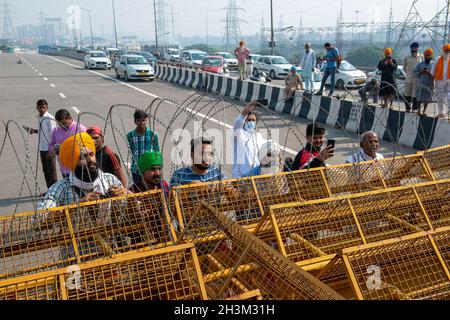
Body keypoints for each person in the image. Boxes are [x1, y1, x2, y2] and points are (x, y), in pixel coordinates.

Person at [37, 133, 127, 210]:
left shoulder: (110, 180)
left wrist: (127, 198)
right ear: (73, 162)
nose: (90, 160)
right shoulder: (61, 188)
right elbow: (38, 220)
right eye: (82, 157)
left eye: (91, 154)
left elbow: (131, 212)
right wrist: (76, 206)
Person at [24, 99, 58, 194]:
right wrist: (34, 131)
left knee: (52, 172)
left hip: (49, 148)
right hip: (42, 148)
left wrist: (51, 150)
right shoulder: (39, 117)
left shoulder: (49, 118)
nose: (42, 109)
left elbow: (53, 134)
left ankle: (55, 192)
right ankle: (50, 190)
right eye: (40, 107)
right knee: (46, 170)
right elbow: (43, 132)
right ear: (37, 108)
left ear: (47, 107)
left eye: (44, 107)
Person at [48, 109, 87, 178]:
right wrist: (53, 150)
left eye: (64, 123)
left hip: (79, 168)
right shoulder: (56, 130)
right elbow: (51, 145)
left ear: (70, 118)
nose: (62, 126)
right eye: (59, 124)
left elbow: (89, 145)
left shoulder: (80, 129)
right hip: (65, 169)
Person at [232, 101, 266, 178]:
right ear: (244, 122)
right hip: (241, 175)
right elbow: (237, 124)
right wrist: (245, 112)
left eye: (253, 120)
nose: (251, 122)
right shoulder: (239, 134)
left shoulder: (259, 137)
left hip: (256, 174)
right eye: (248, 120)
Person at [127, 110, 160, 185]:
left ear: (146, 120)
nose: (141, 123)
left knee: (152, 189)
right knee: (139, 190)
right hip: (136, 169)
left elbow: (156, 152)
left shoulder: (153, 135)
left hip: (150, 169)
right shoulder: (130, 136)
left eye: (143, 120)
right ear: (135, 121)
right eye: (139, 121)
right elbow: (132, 150)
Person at [403, 42, 424, 113]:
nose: (414, 49)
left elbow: (423, 66)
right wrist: (409, 74)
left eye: (415, 48)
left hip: (417, 79)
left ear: (417, 48)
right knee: (407, 95)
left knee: (415, 96)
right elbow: (404, 68)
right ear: (411, 49)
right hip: (409, 79)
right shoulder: (407, 57)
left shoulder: (421, 56)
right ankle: (407, 108)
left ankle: (414, 109)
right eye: (413, 48)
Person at [414, 48, 435, 117]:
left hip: (429, 84)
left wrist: (429, 73)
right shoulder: (420, 64)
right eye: (426, 55)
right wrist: (421, 72)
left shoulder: (433, 64)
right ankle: (418, 111)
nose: (427, 57)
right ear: (424, 56)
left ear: (431, 56)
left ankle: (424, 111)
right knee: (419, 97)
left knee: (427, 98)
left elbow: (436, 73)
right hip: (421, 83)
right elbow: (415, 72)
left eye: (429, 55)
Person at [431, 44, 450, 119]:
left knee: (449, 96)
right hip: (439, 80)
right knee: (439, 97)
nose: (448, 52)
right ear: (443, 51)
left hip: (449, 81)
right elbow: (433, 71)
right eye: (446, 51)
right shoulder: (437, 59)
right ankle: (441, 113)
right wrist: (432, 81)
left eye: (449, 51)